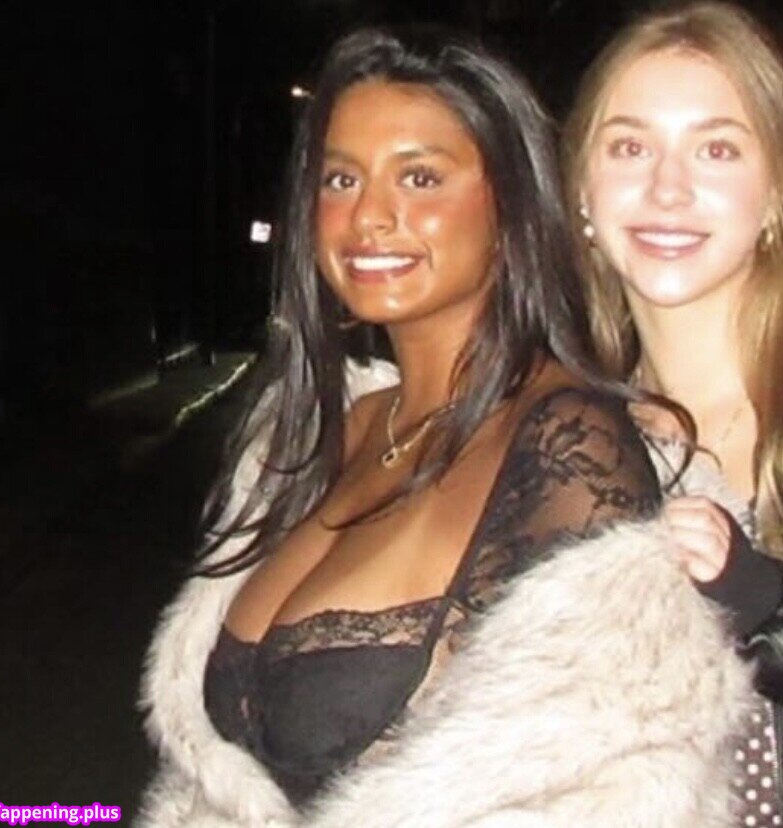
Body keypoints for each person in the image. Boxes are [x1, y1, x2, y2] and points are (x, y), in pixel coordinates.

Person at [137, 26, 753, 828]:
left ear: (509, 203)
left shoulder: (569, 448)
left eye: (420, 176)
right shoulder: (324, 432)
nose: (369, 216)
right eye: (340, 178)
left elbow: (615, 789)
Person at [562, 2, 783, 824]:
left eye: (715, 149)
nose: (666, 188)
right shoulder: (563, 446)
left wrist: (765, 604)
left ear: (773, 192)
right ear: (582, 193)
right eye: (629, 147)